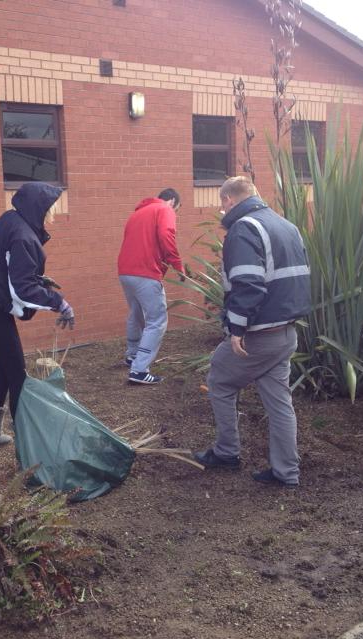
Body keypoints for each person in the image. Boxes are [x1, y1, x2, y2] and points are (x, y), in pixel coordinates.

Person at [194, 176, 311, 486]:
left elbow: (249, 284)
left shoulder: (244, 229)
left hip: (258, 334)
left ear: (230, 201)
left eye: (222, 205)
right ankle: (287, 473)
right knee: (279, 401)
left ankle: (227, 452)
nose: (222, 211)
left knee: (219, 379)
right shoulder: (287, 226)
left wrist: (236, 328)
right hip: (287, 332)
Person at [0, 182, 75, 453]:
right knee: (18, 376)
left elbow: (13, 275)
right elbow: (22, 288)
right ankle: (28, 445)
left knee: (5, 371)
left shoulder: (11, 220)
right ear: (40, 207)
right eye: (50, 207)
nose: (52, 212)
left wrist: (42, 285)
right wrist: (59, 303)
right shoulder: (23, 236)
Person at [117, 188, 184, 385]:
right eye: (177, 210)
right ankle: (139, 370)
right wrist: (178, 266)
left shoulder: (137, 213)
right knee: (157, 320)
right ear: (172, 201)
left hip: (125, 271)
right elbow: (166, 235)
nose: (175, 214)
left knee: (136, 312)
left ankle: (132, 355)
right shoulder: (164, 209)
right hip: (145, 272)